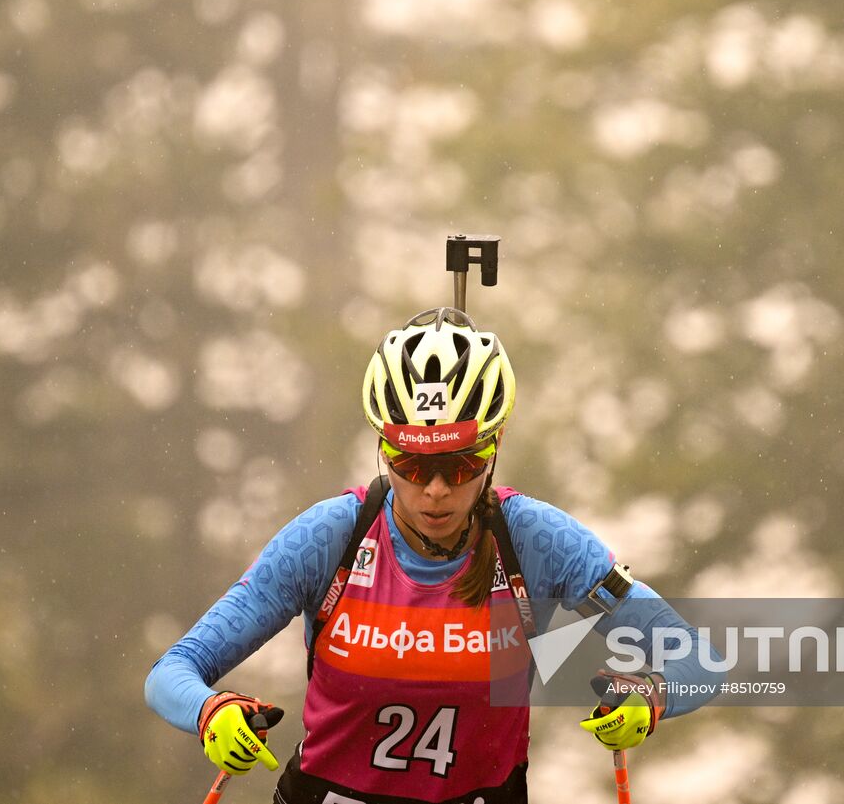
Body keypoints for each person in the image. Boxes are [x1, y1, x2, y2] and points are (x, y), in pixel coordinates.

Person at [146, 307, 722, 804]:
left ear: (492, 453)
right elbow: (172, 672)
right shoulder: (330, 537)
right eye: (413, 466)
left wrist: (650, 695)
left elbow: (700, 659)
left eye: (461, 465)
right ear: (384, 450)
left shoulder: (537, 541)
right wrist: (210, 712)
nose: (437, 490)